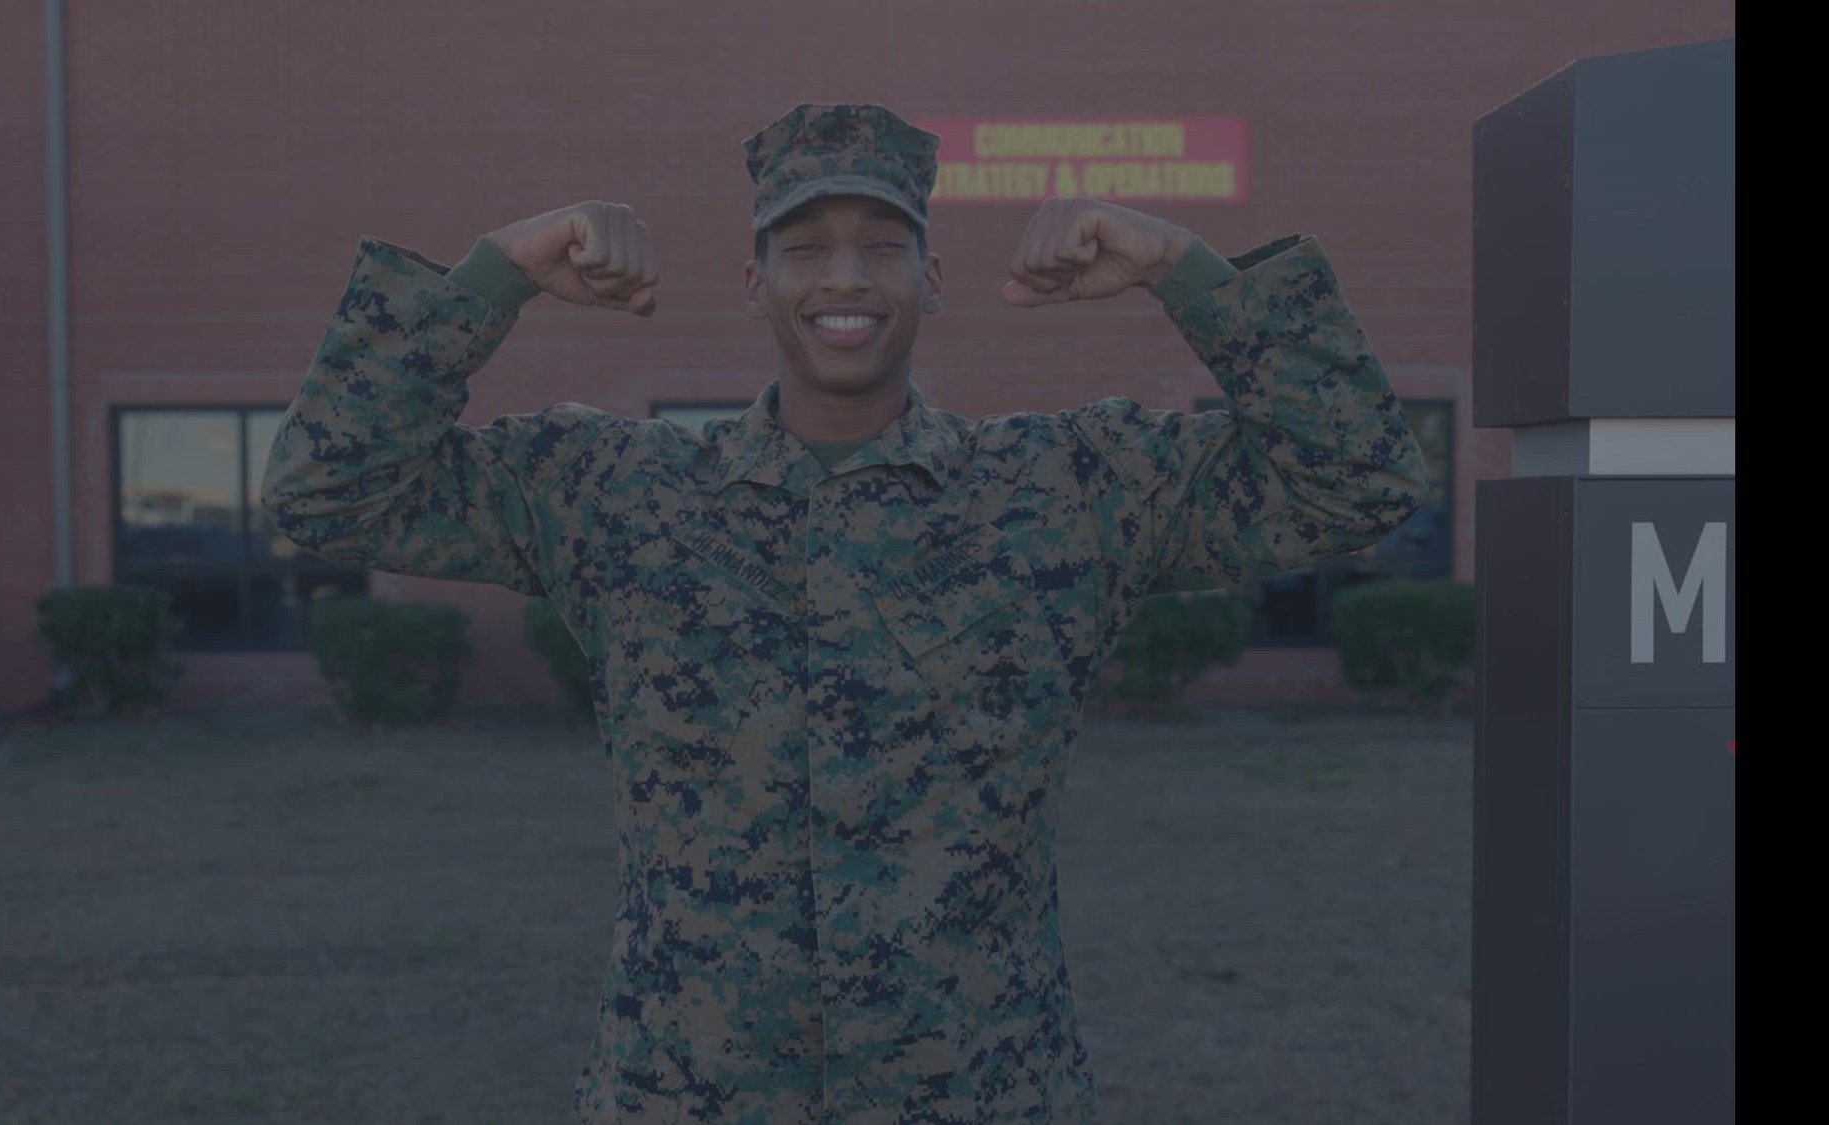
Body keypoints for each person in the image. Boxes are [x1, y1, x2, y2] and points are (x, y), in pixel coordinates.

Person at [262, 102, 1428, 1124]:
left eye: (883, 245)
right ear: (755, 282)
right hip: (688, 1088)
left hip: (979, 1084)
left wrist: (1184, 265)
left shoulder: (1068, 489)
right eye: (803, 246)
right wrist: (495, 273)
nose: (843, 277)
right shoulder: (614, 491)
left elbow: (1354, 479)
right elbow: (330, 491)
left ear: (929, 280)